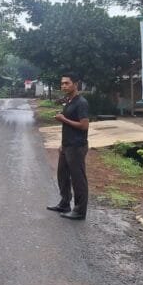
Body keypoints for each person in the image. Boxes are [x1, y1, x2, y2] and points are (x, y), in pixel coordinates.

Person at [47, 72, 90, 221]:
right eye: (62, 83)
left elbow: (84, 126)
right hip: (67, 146)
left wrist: (63, 118)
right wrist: (62, 144)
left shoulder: (81, 102)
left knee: (78, 179)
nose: (64, 86)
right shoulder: (69, 101)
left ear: (75, 84)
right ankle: (65, 203)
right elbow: (69, 127)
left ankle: (79, 211)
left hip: (77, 147)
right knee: (62, 176)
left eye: (67, 83)